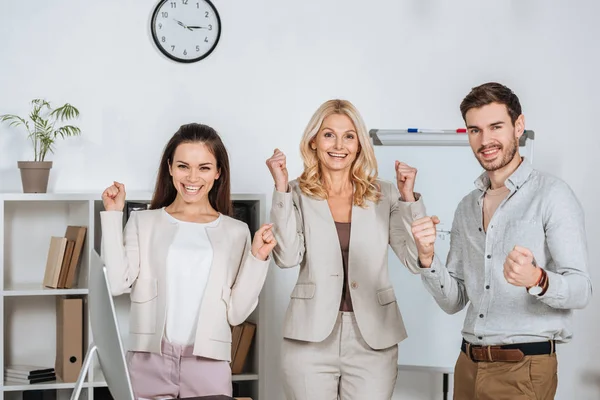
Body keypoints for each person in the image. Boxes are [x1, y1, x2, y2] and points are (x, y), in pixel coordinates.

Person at [411, 82, 592, 400]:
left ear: (518, 126)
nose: (485, 140)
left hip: (522, 369)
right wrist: (428, 258)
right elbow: (455, 300)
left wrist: (538, 279)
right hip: (467, 365)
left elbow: (581, 290)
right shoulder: (467, 206)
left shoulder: (552, 196)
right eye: (474, 130)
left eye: (496, 127)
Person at [100, 123, 276, 399]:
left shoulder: (236, 231)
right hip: (148, 359)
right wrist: (112, 215)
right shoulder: (143, 222)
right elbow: (115, 284)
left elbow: (237, 313)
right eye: (183, 166)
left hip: (209, 363)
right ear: (169, 168)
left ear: (218, 173)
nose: (192, 177)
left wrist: (258, 258)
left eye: (204, 167)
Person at [266, 99, 426, 400]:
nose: (338, 145)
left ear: (359, 144)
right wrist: (281, 188)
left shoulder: (386, 193)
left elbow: (416, 259)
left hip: (373, 339)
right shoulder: (296, 192)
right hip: (309, 337)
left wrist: (409, 199)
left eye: (349, 136)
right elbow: (287, 258)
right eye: (329, 134)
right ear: (313, 141)